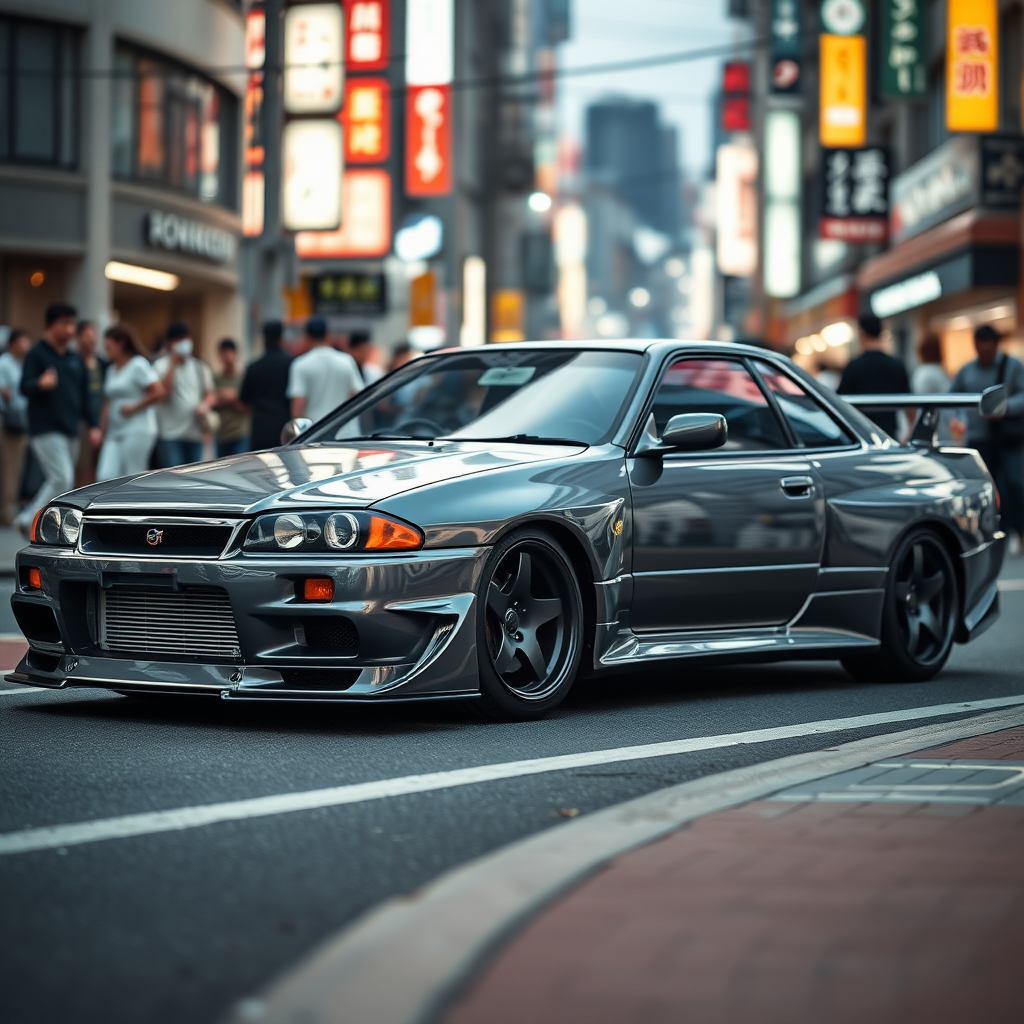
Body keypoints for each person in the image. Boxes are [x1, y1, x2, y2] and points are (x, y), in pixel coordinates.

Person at [15, 302, 102, 537]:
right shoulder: (37, 354)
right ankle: (28, 518)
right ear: (51, 325)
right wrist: (39, 384)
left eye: (72, 324)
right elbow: (24, 386)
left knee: (62, 480)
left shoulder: (74, 359)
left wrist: (94, 425)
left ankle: (40, 522)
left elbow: (85, 396)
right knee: (61, 477)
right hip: (44, 428)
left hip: (70, 429)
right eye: (65, 324)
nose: (70, 330)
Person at [950, 324, 1024, 555]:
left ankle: (1018, 530)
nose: (985, 353)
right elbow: (951, 397)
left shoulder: (1012, 366)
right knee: (984, 488)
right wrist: (956, 418)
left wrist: (1005, 408)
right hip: (979, 438)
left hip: (1008, 438)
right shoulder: (967, 370)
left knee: (1013, 483)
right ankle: (990, 533)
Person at [97, 325, 163, 481]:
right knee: (105, 476)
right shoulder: (111, 370)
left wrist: (134, 407)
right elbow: (108, 400)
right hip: (115, 431)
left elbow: (158, 392)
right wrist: (101, 428)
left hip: (137, 429)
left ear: (121, 343)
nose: (107, 351)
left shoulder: (137, 365)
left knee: (132, 475)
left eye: (109, 346)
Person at [154, 321, 216, 467]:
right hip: (170, 434)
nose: (185, 343)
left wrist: (205, 405)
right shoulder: (160, 366)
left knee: (193, 481)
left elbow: (211, 394)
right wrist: (173, 364)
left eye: (186, 339)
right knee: (174, 480)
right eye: (179, 340)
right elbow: (163, 393)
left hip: (195, 434)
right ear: (170, 343)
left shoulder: (199, 366)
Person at [838, 313, 911, 437]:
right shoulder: (897, 364)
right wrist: (909, 434)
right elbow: (910, 405)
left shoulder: (854, 367)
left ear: (862, 333)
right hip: (890, 435)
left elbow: (840, 405)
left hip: (861, 435)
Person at [286, 316, 363, 424]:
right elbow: (357, 395)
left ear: (307, 338)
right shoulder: (346, 360)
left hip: (315, 432)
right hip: (347, 431)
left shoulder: (300, 365)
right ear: (328, 335)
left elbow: (298, 404)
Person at [239, 320, 293, 450]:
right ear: (281, 339)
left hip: (260, 430)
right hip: (285, 430)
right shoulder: (291, 364)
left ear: (264, 340)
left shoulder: (254, 367)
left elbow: (243, 403)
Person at [0, 328, 31, 525]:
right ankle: (7, 509)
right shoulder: (4, 362)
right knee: (9, 467)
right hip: (9, 421)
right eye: (22, 342)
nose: (25, 346)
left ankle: (10, 505)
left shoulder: (23, 364)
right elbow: (4, 389)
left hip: (22, 421)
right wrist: (17, 404)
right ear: (12, 344)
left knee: (18, 466)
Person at [74, 319, 107, 486]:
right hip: (82, 420)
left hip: (102, 419)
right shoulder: (73, 361)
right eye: (87, 335)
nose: (92, 339)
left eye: (94, 335)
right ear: (78, 337)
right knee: (82, 463)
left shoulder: (102, 363)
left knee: (100, 464)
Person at [212, 338, 250, 457]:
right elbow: (212, 402)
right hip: (221, 434)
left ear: (235, 354)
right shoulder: (216, 378)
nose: (226, 357)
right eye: (223, 354)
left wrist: (233, 398)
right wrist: (220, 397)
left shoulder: (244, 377)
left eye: (229, 353)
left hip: (240, 433)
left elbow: (247, 408)